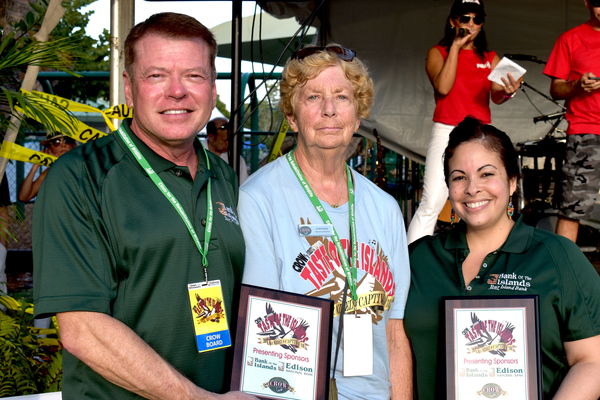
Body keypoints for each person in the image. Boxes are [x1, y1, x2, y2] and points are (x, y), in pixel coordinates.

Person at [33, 13, 254, 400]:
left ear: (212, 88)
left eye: (193, 75)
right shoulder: (81, 176)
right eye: (157, 76)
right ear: (129, 88)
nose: (177, 91)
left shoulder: (223, 175)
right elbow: (83, 329)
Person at [239, 45, 412, 399]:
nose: (329, 109)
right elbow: (262, 330)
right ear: (292, 117)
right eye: (313, 97)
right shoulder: (258, 199)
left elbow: (394, 331)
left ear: (358, 115)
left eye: (342, 97)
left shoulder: (384, 207)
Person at [404, 117, 600, 400]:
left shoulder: (558, 256)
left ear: (512, 182)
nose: (472, 188)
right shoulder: (418, 259)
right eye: (459, 177)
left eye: (486, 174)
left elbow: (592, 361)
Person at [406, 0, 522, 244]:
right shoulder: (438, 53)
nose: (471, 24)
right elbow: (443, 87)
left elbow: (497, 96)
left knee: (482, 195)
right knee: (433, 200)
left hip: (479, 135)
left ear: (482, 24)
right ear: (453, 21)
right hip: (447, 128)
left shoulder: (490, 57)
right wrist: (456, 47)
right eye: (465, 18)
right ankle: (413, 258)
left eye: (476, 19)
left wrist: (509, 91)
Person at [544, 0, 600, 244]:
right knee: (572, 208)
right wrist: (577, 85)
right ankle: (563, 267)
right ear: (587, 3)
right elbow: (556, 89)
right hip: (586, 131)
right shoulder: (571, 38)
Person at [18, 133, 76, 202]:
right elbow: (23, 197)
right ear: (49, 149)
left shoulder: (82, 164)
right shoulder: (48, 173)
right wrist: (34, 167)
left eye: (67, 141)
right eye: (57, 142)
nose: (63, 145)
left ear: (73, 145)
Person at [206, 117, 249, 184]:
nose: (228, 144)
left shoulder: (237, 160)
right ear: (211, 137)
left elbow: (243, 186)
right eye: (225, 141)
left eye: (229, 140)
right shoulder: (196, 154)